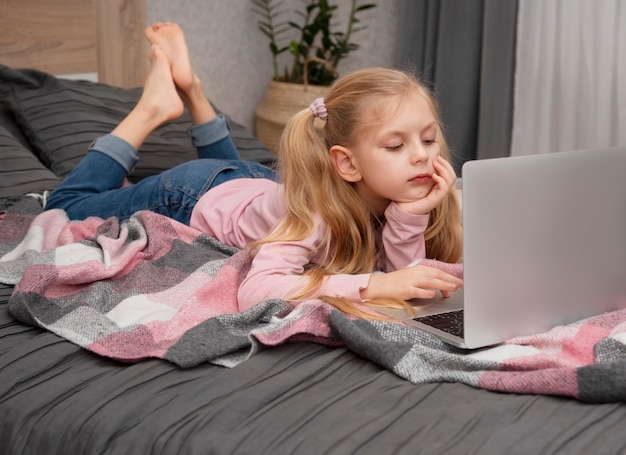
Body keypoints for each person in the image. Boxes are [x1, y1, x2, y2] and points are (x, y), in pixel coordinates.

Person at [45, 22, 463, 319]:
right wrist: (374, 286)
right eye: (396, 145)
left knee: (247, 174)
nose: (422, 156)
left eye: (428, 139)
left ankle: (193, 91)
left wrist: (409, 219)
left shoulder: (404, 197)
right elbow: (258, 291)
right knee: (67, 204)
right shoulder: (314, 215)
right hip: (193, 194)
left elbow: (405, 280)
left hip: (257, 185)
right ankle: (152, 109)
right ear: (347, 163)